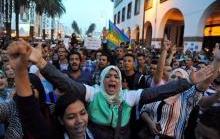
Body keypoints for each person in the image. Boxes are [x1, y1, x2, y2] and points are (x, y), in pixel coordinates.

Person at [7, 41, 211, 139]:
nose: (113, 78)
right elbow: (65, 83)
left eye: (116, 76)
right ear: (102, 80)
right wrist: (41, 62)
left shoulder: (128, 96)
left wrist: (187, 82)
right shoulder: (93, 92)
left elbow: (157, 92)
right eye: (108, 76)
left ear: (121, 81)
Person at [8, 41, 94, 139]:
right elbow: (30, 110)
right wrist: (21, 71)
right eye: (71, 117)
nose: (79, 120)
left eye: (83, 113)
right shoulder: (12, 106)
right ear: (61, 120)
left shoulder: (97, 134)